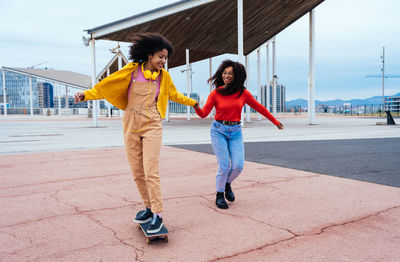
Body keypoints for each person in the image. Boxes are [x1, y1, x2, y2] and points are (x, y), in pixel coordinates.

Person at [74, 33, 198, 233]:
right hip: (131, 124)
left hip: (153, 124)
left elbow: (173, 94)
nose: (163, 61)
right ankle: (148, 208)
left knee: (151, 170)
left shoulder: (164, 77)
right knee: (137, 172)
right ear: (149, 55)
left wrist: (193, 103)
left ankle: (157, 214)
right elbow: (105, 87)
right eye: (160, 56)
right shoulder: (131, 72)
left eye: (165, 57)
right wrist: (85, 95)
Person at [194, 60, 284, 209]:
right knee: (224, 165)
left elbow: (260, 108)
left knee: (238, 166)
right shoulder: (216, 93)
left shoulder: (243, 93)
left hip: (235, 132)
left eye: (230, 73)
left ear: (237, 76)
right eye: (224, 73)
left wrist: (275, 121)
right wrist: (196, 107)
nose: (226, 76)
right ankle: (219, 194)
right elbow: (204, 114)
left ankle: (227, 183)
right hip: (218, 131)